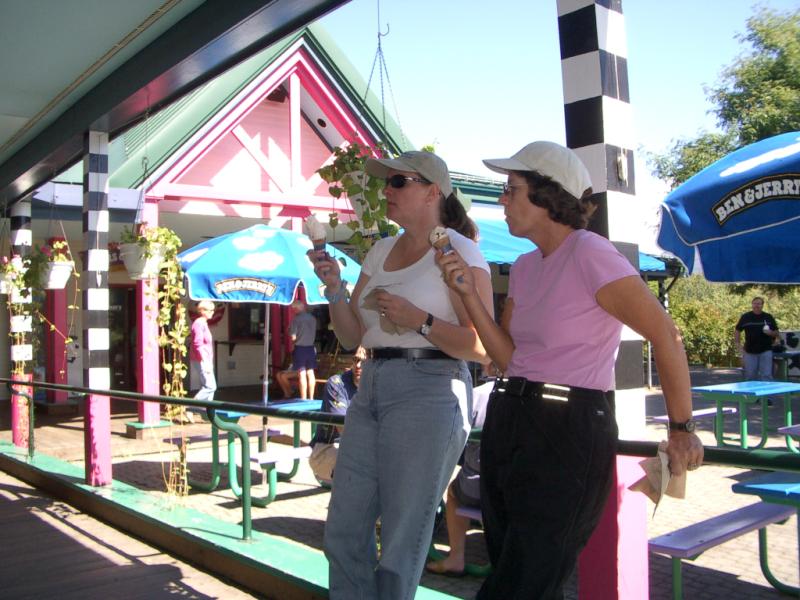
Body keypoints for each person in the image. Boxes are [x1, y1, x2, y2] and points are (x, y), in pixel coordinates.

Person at [436, 141, 704, 599]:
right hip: (510, 416)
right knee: (517, 569)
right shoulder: (524, 266)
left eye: (511, 189)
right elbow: (508, 358)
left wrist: (681, 428)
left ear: (548, 194)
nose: (502, 199)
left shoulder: (589, 252)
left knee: (522, 581)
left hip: (567, 427)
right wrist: (467, 295)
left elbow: (666, 335)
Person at [310, 150, 494, 599]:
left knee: (401, 539)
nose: (385, 191)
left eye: (397, 182)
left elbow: (482, 346)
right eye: (386, 182)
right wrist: (334, 289)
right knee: (343, 529)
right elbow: (352, 336)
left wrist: (419, 320)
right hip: (371, 384)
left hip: (430, 388)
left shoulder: (459, 250)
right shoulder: (380, 250)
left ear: (433, 191)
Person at [425, 378, 492, 577]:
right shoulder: (539, 397)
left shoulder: (477, 394)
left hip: (477, 489)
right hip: (520, 490)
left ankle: (456, 558)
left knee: (453, 492)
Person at [308, 346, 366, 483]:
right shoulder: (336, 384)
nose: (358, 365)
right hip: (326, 449)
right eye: (355, 360)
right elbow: (345, 429)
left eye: (364, 362)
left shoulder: (378, 387)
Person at [735, 296, 780, 380]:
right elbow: (737, 330)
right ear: (752, 305)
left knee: (766, 375)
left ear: (762, 305)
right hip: (749, 351)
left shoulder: (768, 317)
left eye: (759, 304)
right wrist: (737, 344)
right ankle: (750, 389)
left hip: (766, 350)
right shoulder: (745, 317)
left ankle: (767, 389)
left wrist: (770, 332)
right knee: (750, 376)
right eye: (754, 303)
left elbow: (777, 333)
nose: (756, 305)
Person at [289, 299, 318, 399]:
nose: (293, 311)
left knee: (302, 373)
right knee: (310, 372)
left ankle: (303, 399)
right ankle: (311, 398)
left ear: (297, 308)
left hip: (300, 348)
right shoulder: (313, 319)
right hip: (311, 348)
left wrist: (293, 340)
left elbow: (293, 337)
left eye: (294, 309)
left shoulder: (296, 319)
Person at [190, 300, 217, 403]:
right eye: (210, 310)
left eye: (213, 310)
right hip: (201, 359)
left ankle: (208, 409)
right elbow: (198, 344)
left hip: (206, 359)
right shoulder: (199, 323)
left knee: (209, 387)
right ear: (202, 311)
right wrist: (205, 361)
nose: (212, 312)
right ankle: (191, 406)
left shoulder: (203, 323)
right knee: (210, 387)